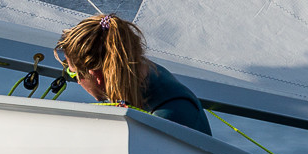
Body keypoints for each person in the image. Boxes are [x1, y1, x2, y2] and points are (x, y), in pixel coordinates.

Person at [56, 13, 212, 134]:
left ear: (96, 76)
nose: (76, 81)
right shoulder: (146, 71)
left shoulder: (169, 115)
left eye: (73, 73)